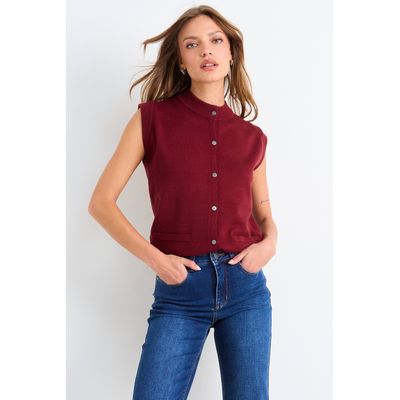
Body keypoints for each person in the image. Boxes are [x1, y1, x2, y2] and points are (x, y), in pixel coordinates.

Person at [88, 5, 278, 400]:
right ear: (181, 61)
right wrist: (157, 260)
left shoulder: (252, 137)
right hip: (181, 292)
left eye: (215, 40)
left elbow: (264, 215)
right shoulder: (151, 120)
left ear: (230, 53)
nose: (206, 50)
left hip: (246, 291)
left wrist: (270, 243)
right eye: (192, 44)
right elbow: (101, 203)